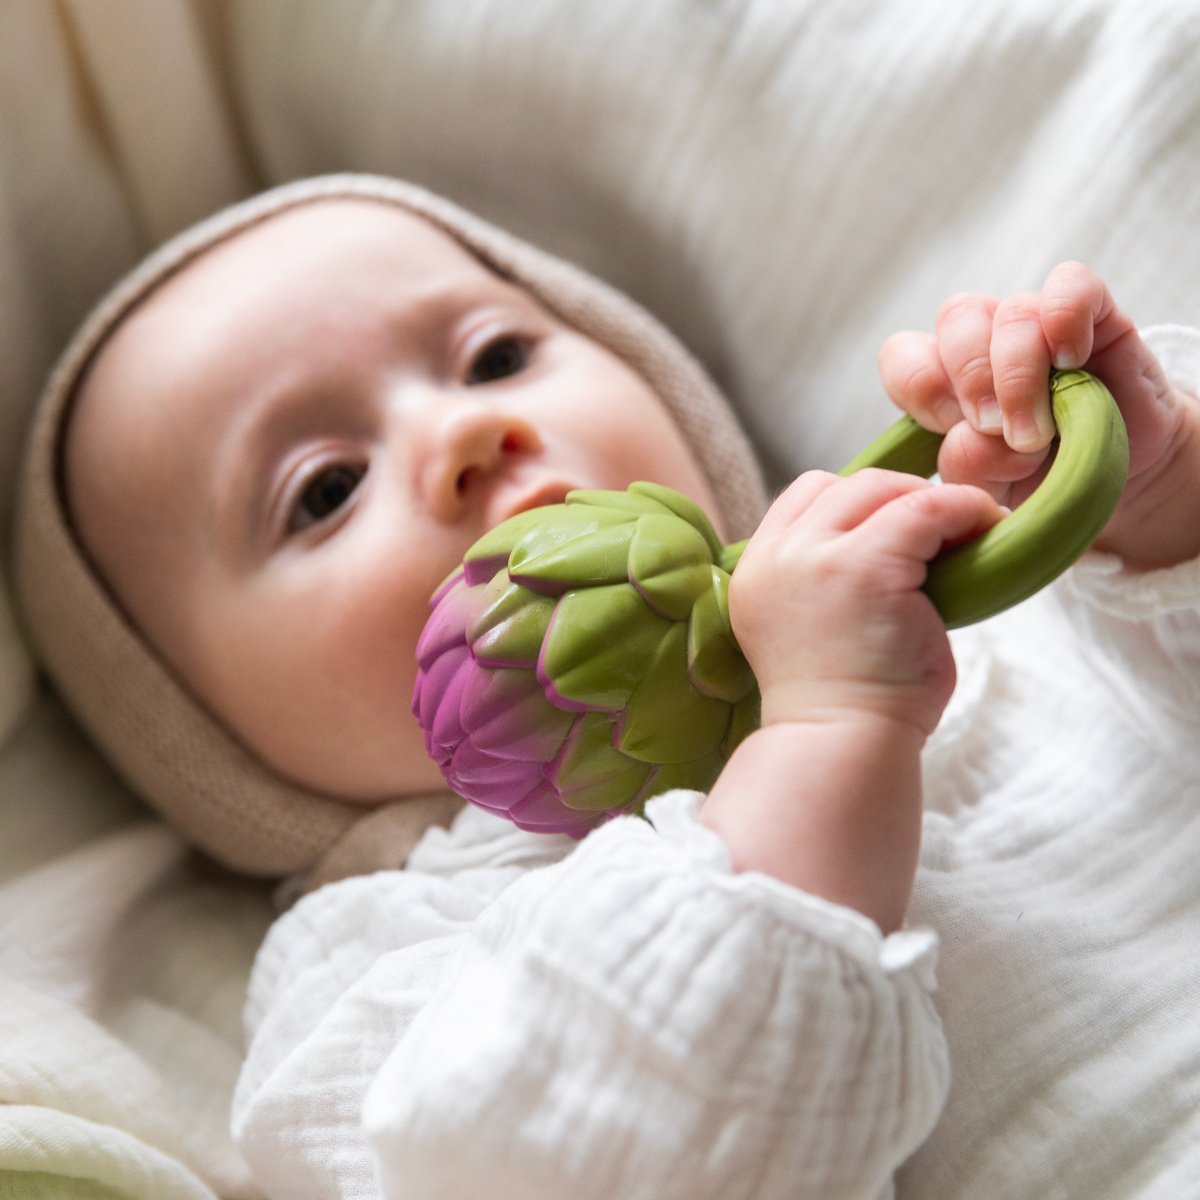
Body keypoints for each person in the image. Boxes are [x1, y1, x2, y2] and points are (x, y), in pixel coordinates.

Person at [12, 174, 1200, 1199]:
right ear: (215, 745)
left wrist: (1151, 501)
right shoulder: (372, 970)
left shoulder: (956, 609)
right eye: (322, 490)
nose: (468, 435)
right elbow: (577, 1157)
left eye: (496, 357)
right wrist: (826, 736)